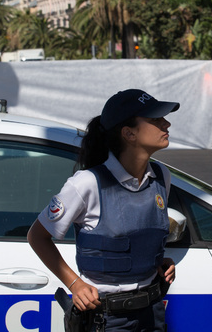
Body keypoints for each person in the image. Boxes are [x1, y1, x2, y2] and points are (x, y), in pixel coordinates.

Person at [28, 89, 179, 331]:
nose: (167, 123)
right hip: (105, 318)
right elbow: (37, 236)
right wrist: (75, 284)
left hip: (152, 312)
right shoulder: (87, 183)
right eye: (155, 120)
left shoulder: (162, 176)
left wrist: (157, 262)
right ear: (128, 133)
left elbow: (136, 235)